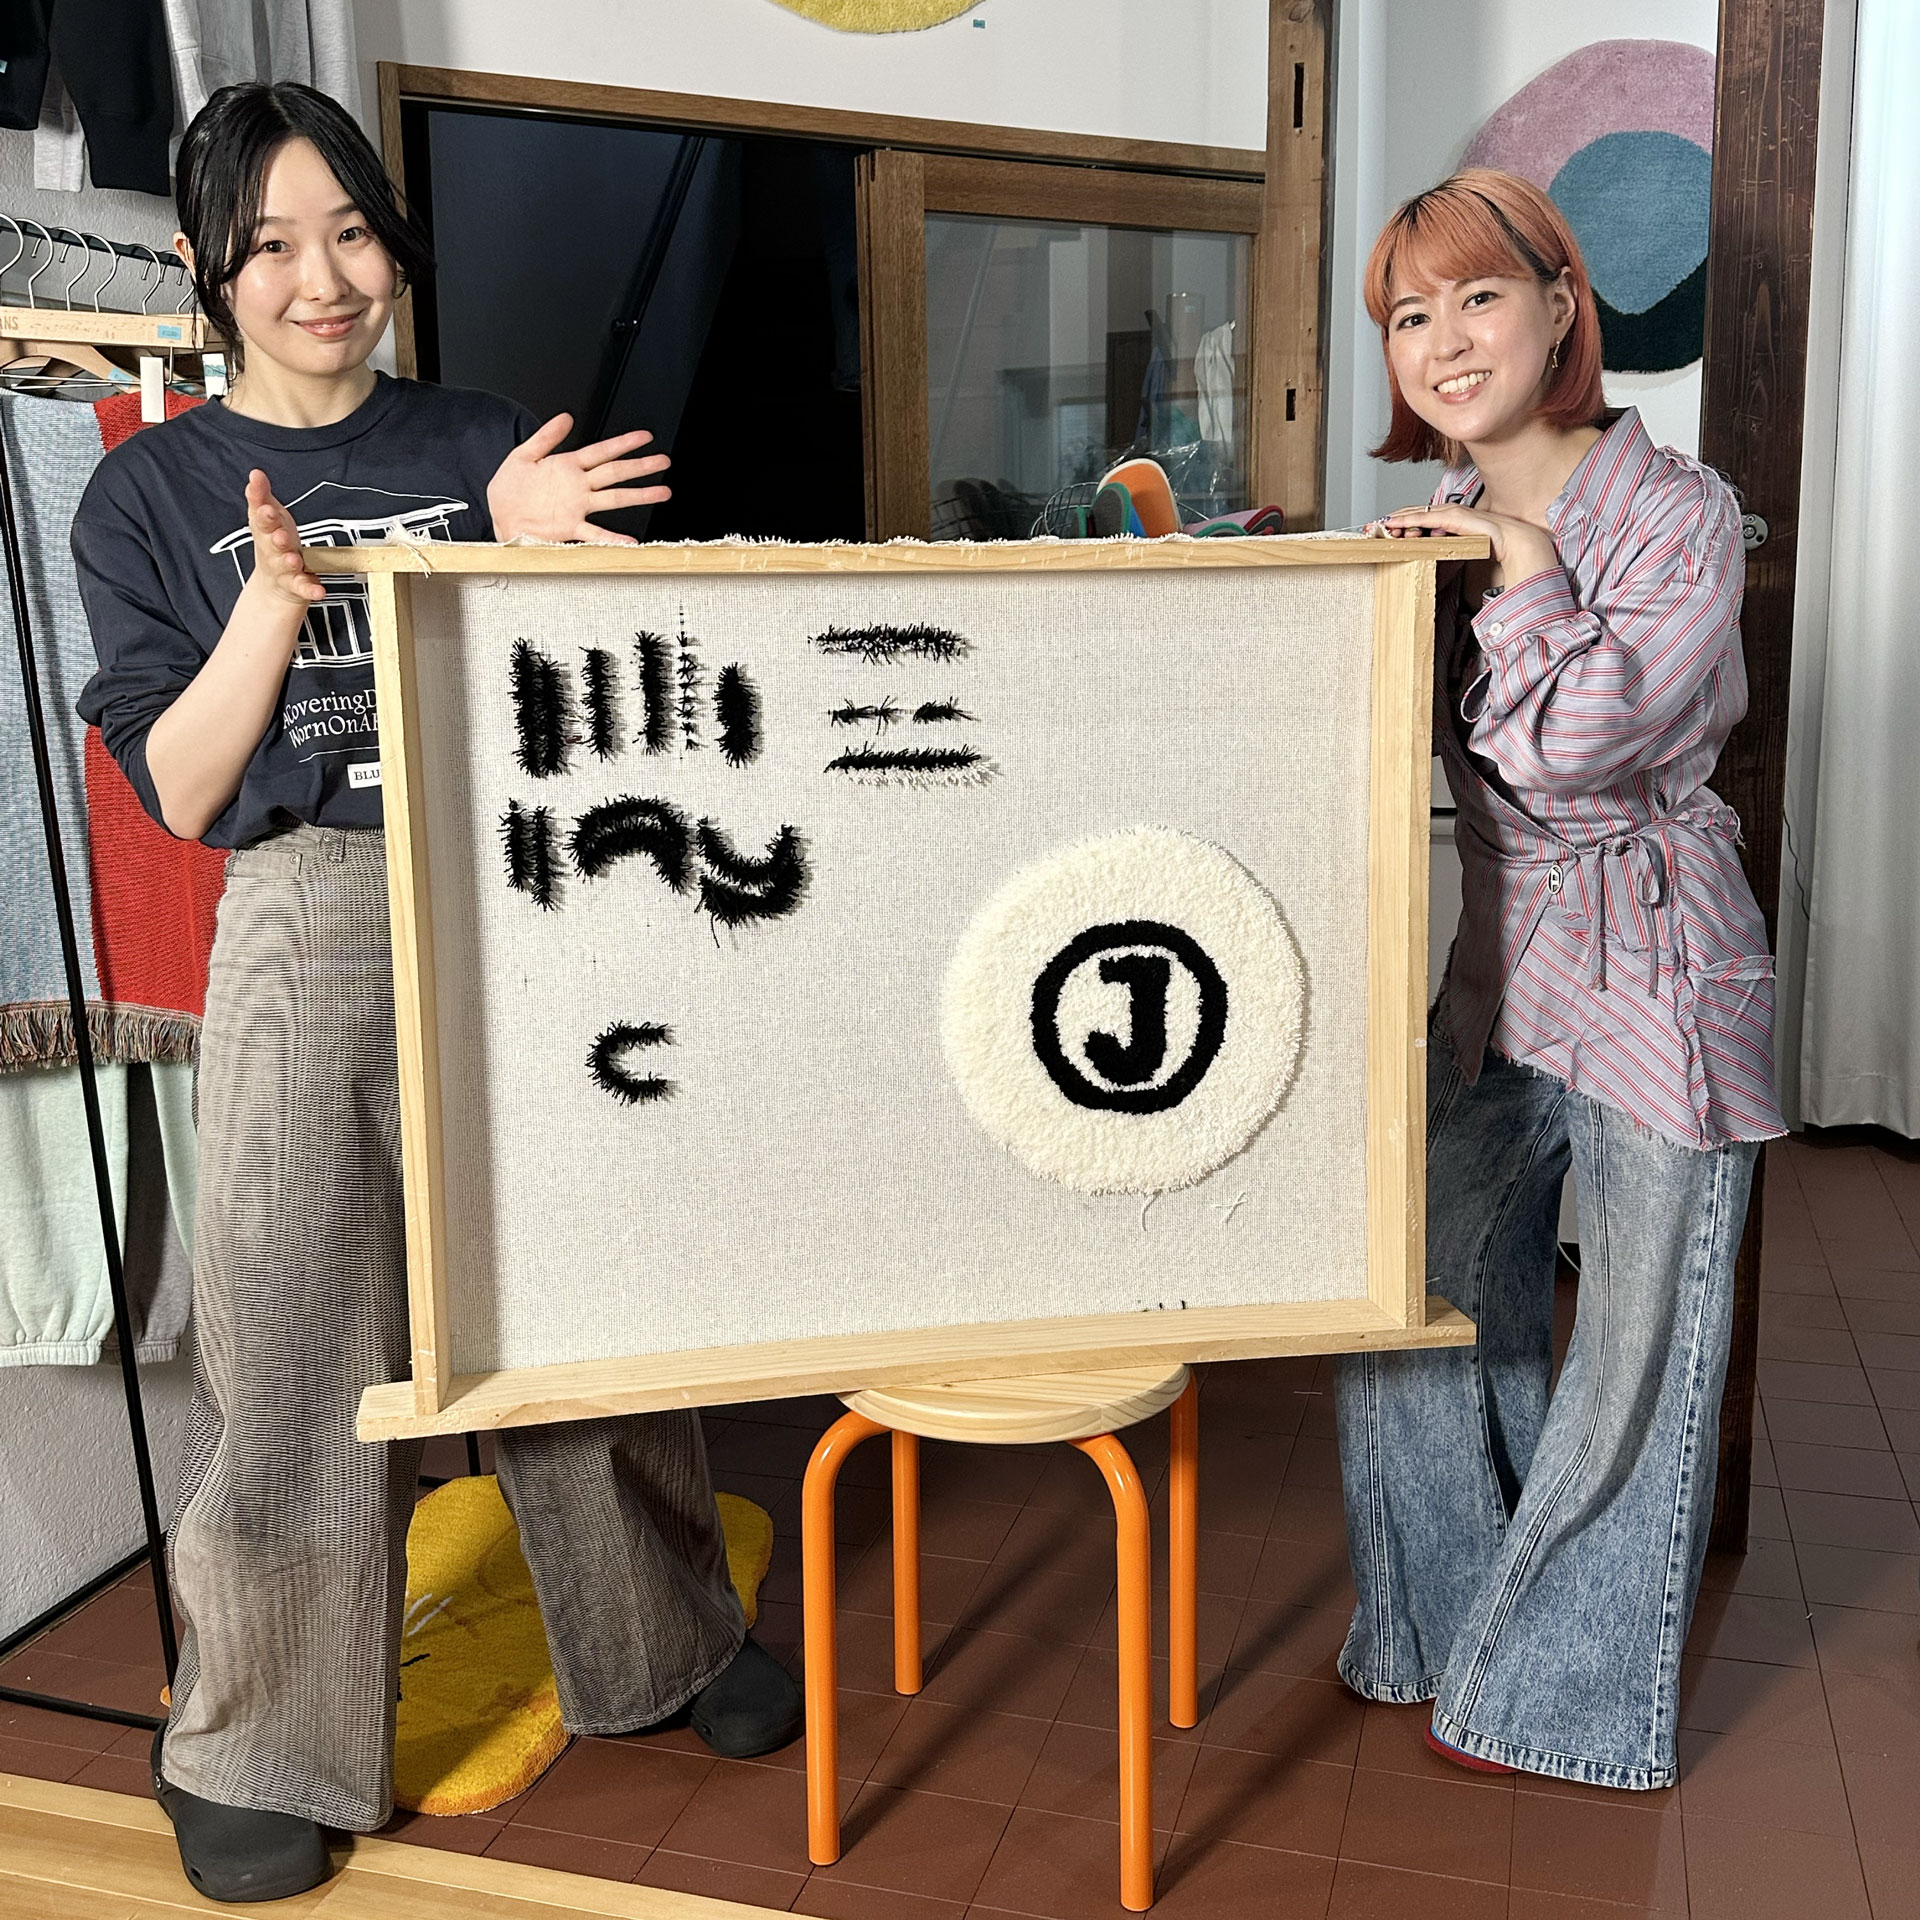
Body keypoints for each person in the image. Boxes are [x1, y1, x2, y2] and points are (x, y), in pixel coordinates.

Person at [72, 81, 801, 1904]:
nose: (322, 280)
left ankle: (665, 1643)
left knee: (580, 1293)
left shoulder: (484, 437)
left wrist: (517, 534)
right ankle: (257, 1741)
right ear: (209, 273)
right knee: (290, 1335)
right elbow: (185, 792)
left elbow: (603, 689)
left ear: (393, 246)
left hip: (523, 881)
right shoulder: (148, 490)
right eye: (272, 247)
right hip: (307, 906)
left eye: (351, 234)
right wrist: (278, 600)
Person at [1333, 169, 1785, 1791]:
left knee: (1640, 1347)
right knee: (1414, 1294)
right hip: (1500, 961)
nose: (1446, 340)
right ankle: (1450, 1629)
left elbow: (1584, 750)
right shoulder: (1429, 528)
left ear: (1558, 307)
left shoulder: (1680, 511)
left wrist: (1523, 561)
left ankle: (1558, 1703)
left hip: (1661, 964)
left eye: (1479, 296)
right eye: (1411, 314)